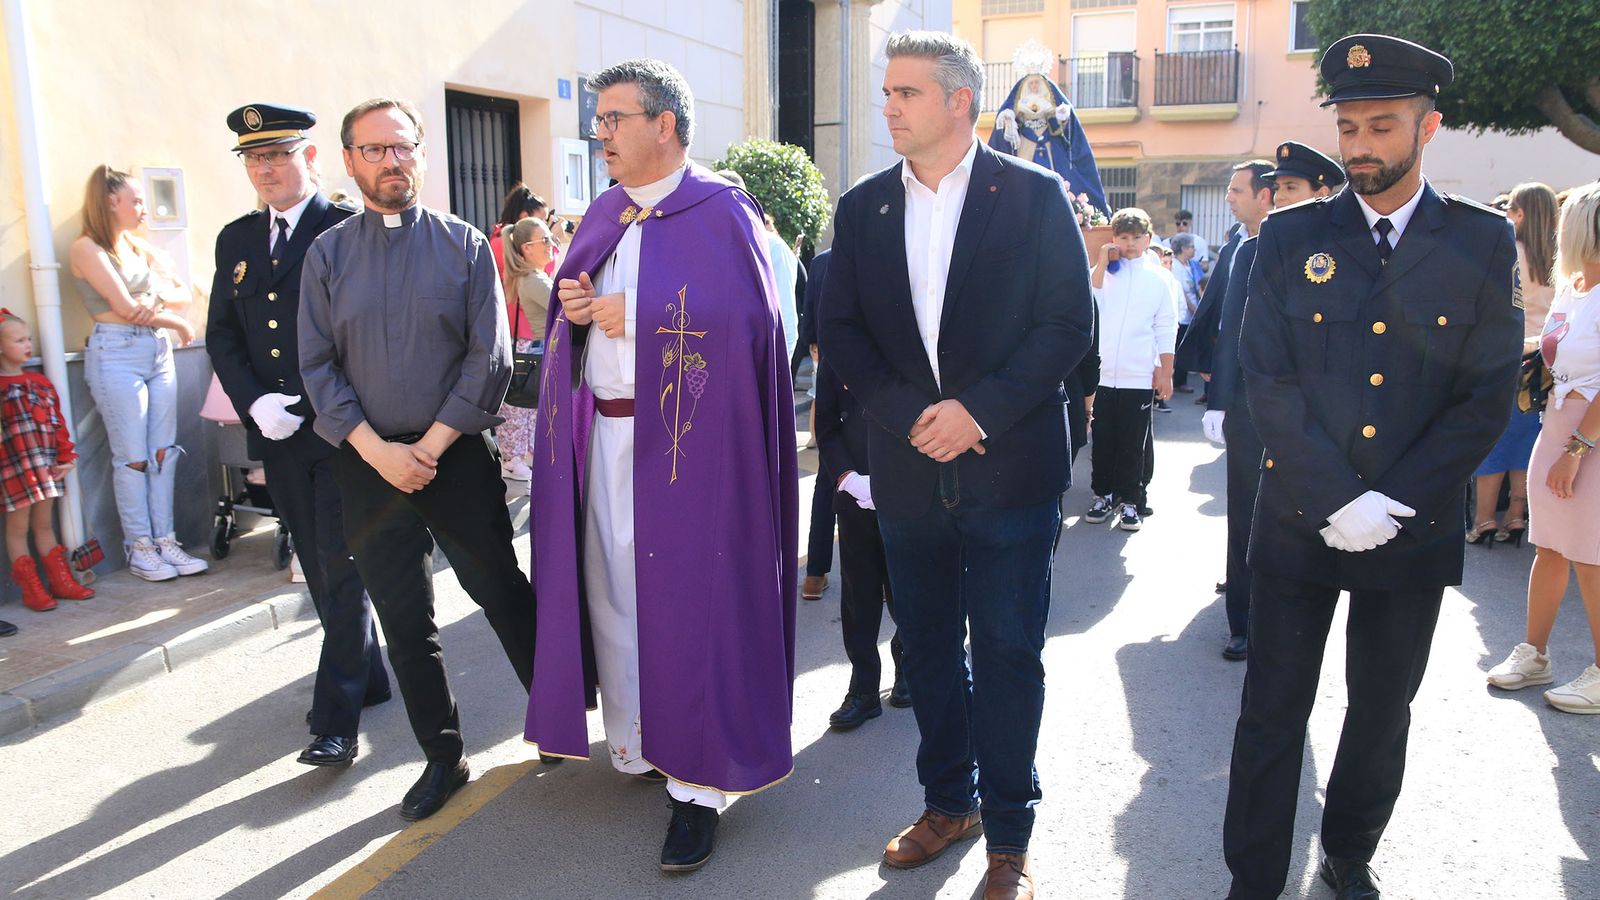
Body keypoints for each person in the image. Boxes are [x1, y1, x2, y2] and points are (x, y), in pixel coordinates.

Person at [1225, 35, 1523, 900]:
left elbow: (1484, 396)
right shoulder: (1290, 236)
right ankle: (1254, 878)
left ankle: (1349, 851)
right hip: (1299, 516)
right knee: (1272, 709)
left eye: (1381, 126)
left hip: (1411, 521)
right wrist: (1334, 498)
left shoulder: (1480, 239)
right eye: (1349, 127)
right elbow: (1267, 377)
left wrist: (1393, 500)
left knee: (1382, 708)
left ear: (1428, 127)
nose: (1359, 146)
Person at [821, 31, 1093, 900]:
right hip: (907, 473)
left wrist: (978, 411)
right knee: (929, 649)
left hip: (1011, 469)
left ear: (959, 101)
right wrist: (909, 415)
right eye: (887, 92)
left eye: (905, 92)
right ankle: (950, 804)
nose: (889, 107)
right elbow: (841, 330)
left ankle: (1010, 837)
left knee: (1008, 651)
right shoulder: (863, 208)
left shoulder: (1035, 195)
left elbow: (1065, 324)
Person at [522, 59, 797, 874]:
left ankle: (698, 788)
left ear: (665, 124)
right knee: (616, 592)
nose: (599, 134)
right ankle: (641, 741)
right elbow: (579, 311)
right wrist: (579, 311)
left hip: (691, 452)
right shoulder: (607, 211)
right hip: (606, 438)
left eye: (613, 119)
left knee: (692, 607)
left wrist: (635, 315)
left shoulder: (721, 209)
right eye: (598, 120)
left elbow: (754, 324)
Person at [298, 97, 537, 822]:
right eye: (374, 149)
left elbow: (488, 357)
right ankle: (443, 758)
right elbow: (317, 366)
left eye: (402, 147)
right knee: (405, 623)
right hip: (368, 465)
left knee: (503, 593)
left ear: (423, 154)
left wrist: (428, 448)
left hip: (453, 455)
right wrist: (378, 452)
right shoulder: (327, 255)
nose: (391, 161)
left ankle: (559, 718)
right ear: (350, 161)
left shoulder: (464, 246)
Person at [206, 103, 391, 768]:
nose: (265, 168)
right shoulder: (237, 240)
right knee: (316, 564)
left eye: (277, 154)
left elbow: (365, 334)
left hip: (340, 432)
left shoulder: (344, 228)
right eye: (254, 158)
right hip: (277, 433)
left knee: (342, 567)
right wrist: (255, 403)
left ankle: (335, 722)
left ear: (309, 158)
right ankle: (369, 677)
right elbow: (222, 334)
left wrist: (318, 406)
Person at [1203, 143, 1345, 662]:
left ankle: (1295, 621)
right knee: (1247, 513)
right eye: (1278, 187)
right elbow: (1231, 330)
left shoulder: (1345, 251)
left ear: (1321, 193)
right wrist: (1218, 401)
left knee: (1311, 516)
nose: (1281, 197)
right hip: (1253, 407)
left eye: (1292, 188)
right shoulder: (1251, 250)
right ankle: (1243, 621)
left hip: (1319, 412)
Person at [1485, 181, 1600, 713]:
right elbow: (1555, 347)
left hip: (1585, 435)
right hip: (1557, 426)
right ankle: (1535, 653)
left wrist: (1576, 450)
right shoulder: (1574, 286)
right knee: (1549, 546)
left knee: (1590, 557)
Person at [69, 165, 205, 582]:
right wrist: (174, 321)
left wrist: (155, 302)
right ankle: (139, 547)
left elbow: (183, 291)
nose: (144, 208)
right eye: (137, 200)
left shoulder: (137, 247)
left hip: (156, 350)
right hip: (116, 352)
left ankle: (166, 541)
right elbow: (125, 308)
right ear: (111, 201)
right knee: (133, 458)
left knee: (164, 451)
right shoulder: (87, 248)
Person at [814, 350, 908, 728]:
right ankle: (864, 688)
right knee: (858, 594)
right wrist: (848, 477)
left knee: (908, 588)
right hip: (853, 492)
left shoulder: (907, 341)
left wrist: (896, 480)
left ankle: (909, 664)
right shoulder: (839, 350)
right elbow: (826, 426)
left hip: (908, 491)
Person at [1469, 182, 1559, 545]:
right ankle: (1517, 515)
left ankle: (1484, 519)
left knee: (1493, 439)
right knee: (1526, 442)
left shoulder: (1509, 251)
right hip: (1547, 357)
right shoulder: (1560, 256)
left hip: (1507, 353)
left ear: (1520, 213)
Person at [1084, 207, 1179, 533]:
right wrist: (1102, 260)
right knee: (1102, 440)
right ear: (1114, 238)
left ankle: (1130, 501)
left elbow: (1166, 327)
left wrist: (1165, 372)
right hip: (1103, 376)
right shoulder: (1103, 273)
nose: (1130, 243)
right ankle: (1102, 494)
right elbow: (1090, 300)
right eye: (1124, 237)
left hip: (1137, 376)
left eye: (1137, 237)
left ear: (1147, 239)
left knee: (1132, 444)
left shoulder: (1159, 278)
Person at [0, 310, 96, 624]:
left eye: (28, 339)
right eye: (19, 341)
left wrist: (66, 456)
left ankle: (60, 581)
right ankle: (31, 588)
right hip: (14, 470)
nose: (28, 345)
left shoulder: (40, 383)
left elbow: (58, 425)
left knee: (44, 524)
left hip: (44, 466)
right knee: (17, 527)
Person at [497, 216, 557, 481]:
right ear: (527, 248)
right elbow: (563, 305)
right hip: (533, 351)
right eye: (545, 239)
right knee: (520, 408)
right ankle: (512, 460)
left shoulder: (531, 276)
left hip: (532, 349)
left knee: (528, 408)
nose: (551, 244)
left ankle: (522, 456)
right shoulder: (533, 280)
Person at [800, 247, 836, 602]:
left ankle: (815, 573)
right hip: (873, 382)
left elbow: (808, 324)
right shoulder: (880, 252)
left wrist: (817, 352)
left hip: (829, 375)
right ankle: (886, 578)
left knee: (828, 476)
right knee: (880, 476)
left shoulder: (822, 262)